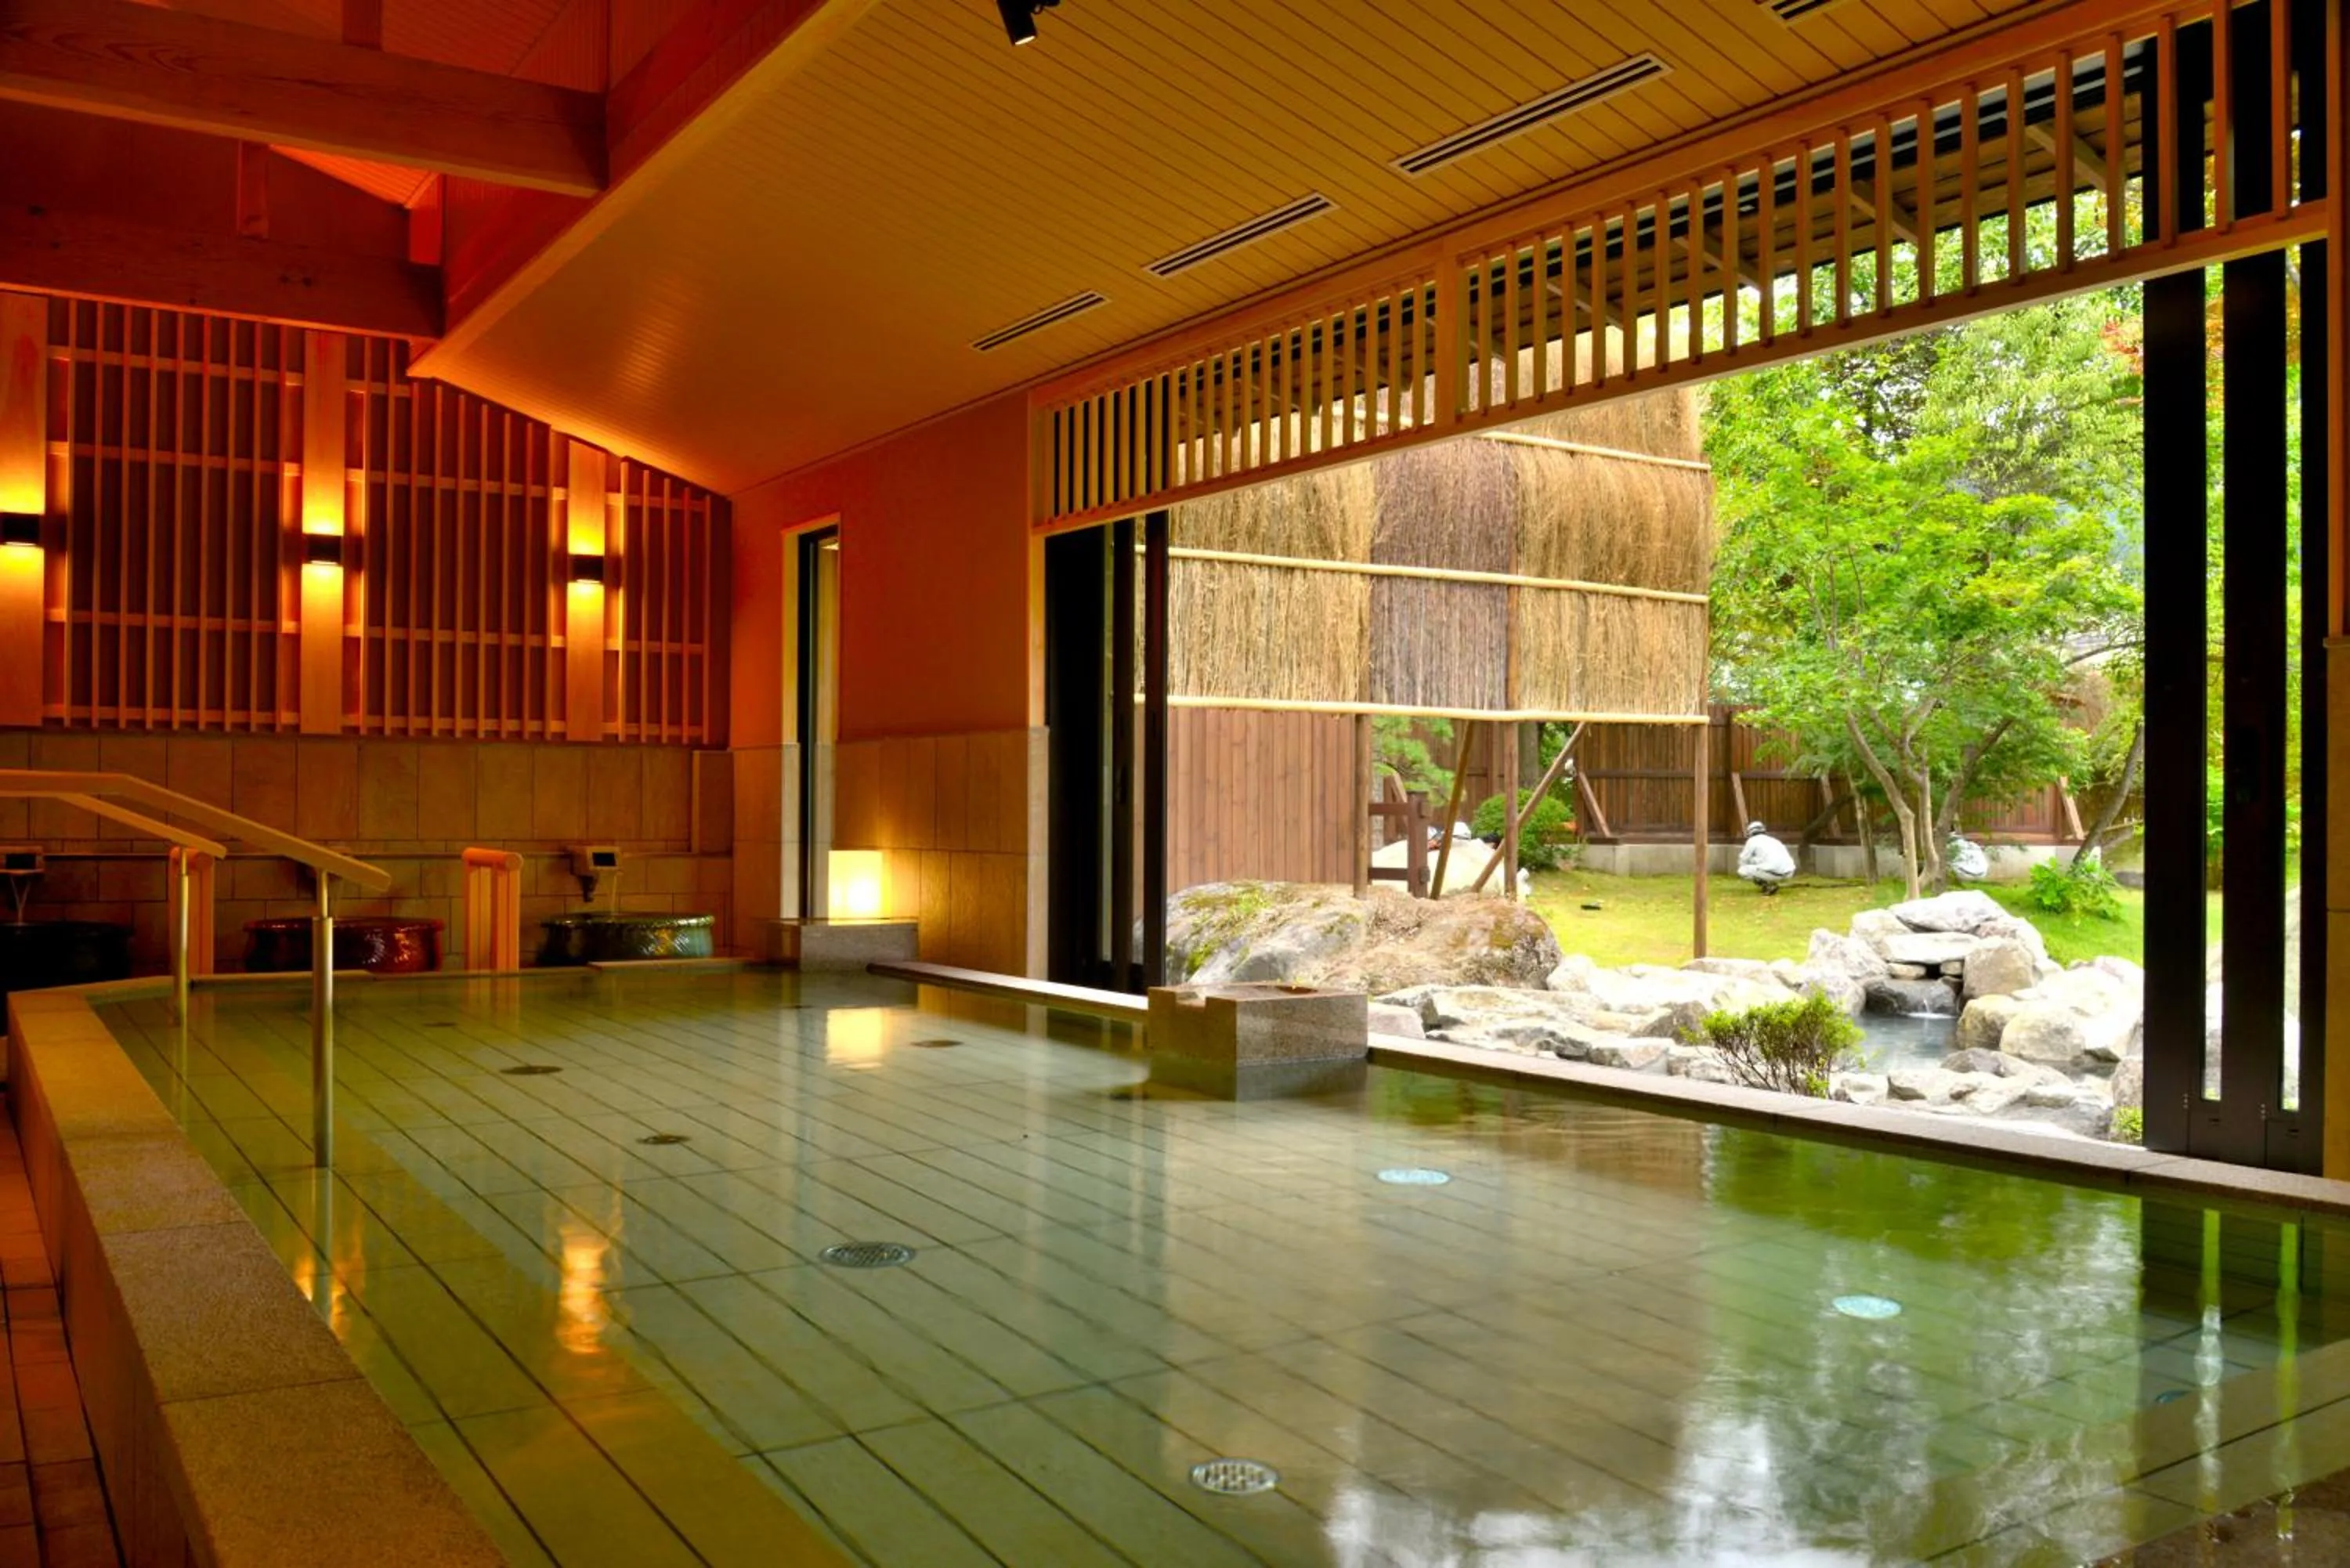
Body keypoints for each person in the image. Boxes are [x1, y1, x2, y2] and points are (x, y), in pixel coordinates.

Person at [1737, 820, 1795, 895]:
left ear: (1750, 832)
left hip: (1774, 873)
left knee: (1742, 870)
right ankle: (1771, 883)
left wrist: (1752, 862)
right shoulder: (1775, 840)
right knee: (1764, 865)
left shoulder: (1752, 841)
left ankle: (1768, 886)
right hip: (1789, 873)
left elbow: (1743, 859)